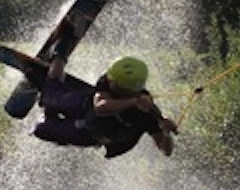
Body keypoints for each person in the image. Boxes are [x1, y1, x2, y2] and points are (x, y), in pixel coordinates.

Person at [32, 52, 178, 159]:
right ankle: (60, 52)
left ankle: (46, 109)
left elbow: (167, 151)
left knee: (40, 129)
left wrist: (166, 133)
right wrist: (133, 101)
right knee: (50, 96)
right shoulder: (108, 80)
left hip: (88, 133)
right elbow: (100, 107)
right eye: (110, 79)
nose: (110, 81)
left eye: (115, 83)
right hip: (84, 105)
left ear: (127, 88)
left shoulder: (148, 113)